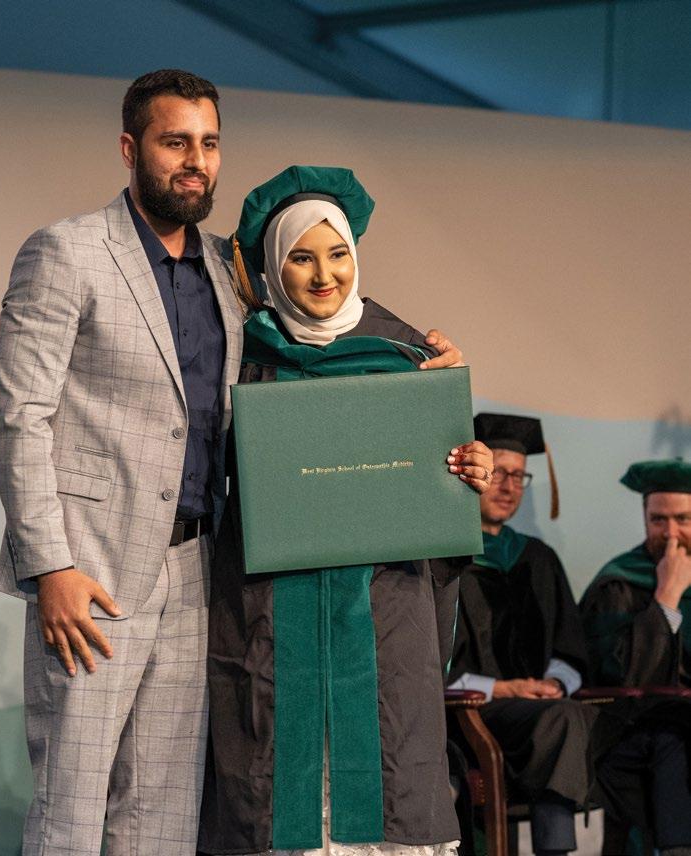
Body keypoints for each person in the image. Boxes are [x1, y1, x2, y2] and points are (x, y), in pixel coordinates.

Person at [0, 75, 468, 855]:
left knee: (163, 814)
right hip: (92, 572)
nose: (195, 161)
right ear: (130, 148)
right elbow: (20, 417)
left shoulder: (230, 268)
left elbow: (324, 332)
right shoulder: (67, 252)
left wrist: (430, 361)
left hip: (197, 572)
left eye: (209, 144)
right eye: (174, 142)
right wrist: (50, 567)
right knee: (71, 807)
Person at [196, 165, 494, 856]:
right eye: (300, 257)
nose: (323, 275)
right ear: (274, 267)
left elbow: (439, 503)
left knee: (386, 781)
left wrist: (467, 469)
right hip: (276, 614)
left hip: (382, 614)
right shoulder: (242, 358)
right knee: (280, 789)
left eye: (336, 254)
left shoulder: (408, 358)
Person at [448, 413, 596, 856]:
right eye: (498, 473)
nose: (509, 486)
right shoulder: (448, 559)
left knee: (579, 717)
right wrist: (504, 688)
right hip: (466, 714)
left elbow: (570, 646)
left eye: (518, 476)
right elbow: (432, 661)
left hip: (536, 714)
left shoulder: (537, 558)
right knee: (563, 721)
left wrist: (553, 684)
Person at [579, 459, 691, 855]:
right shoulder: (619, 583)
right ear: (644, 517)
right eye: (658, 519)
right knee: (673, 743)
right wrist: (667, 599)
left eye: (683, 519)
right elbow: (622, 676)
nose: (671, 533)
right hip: (633, 729)